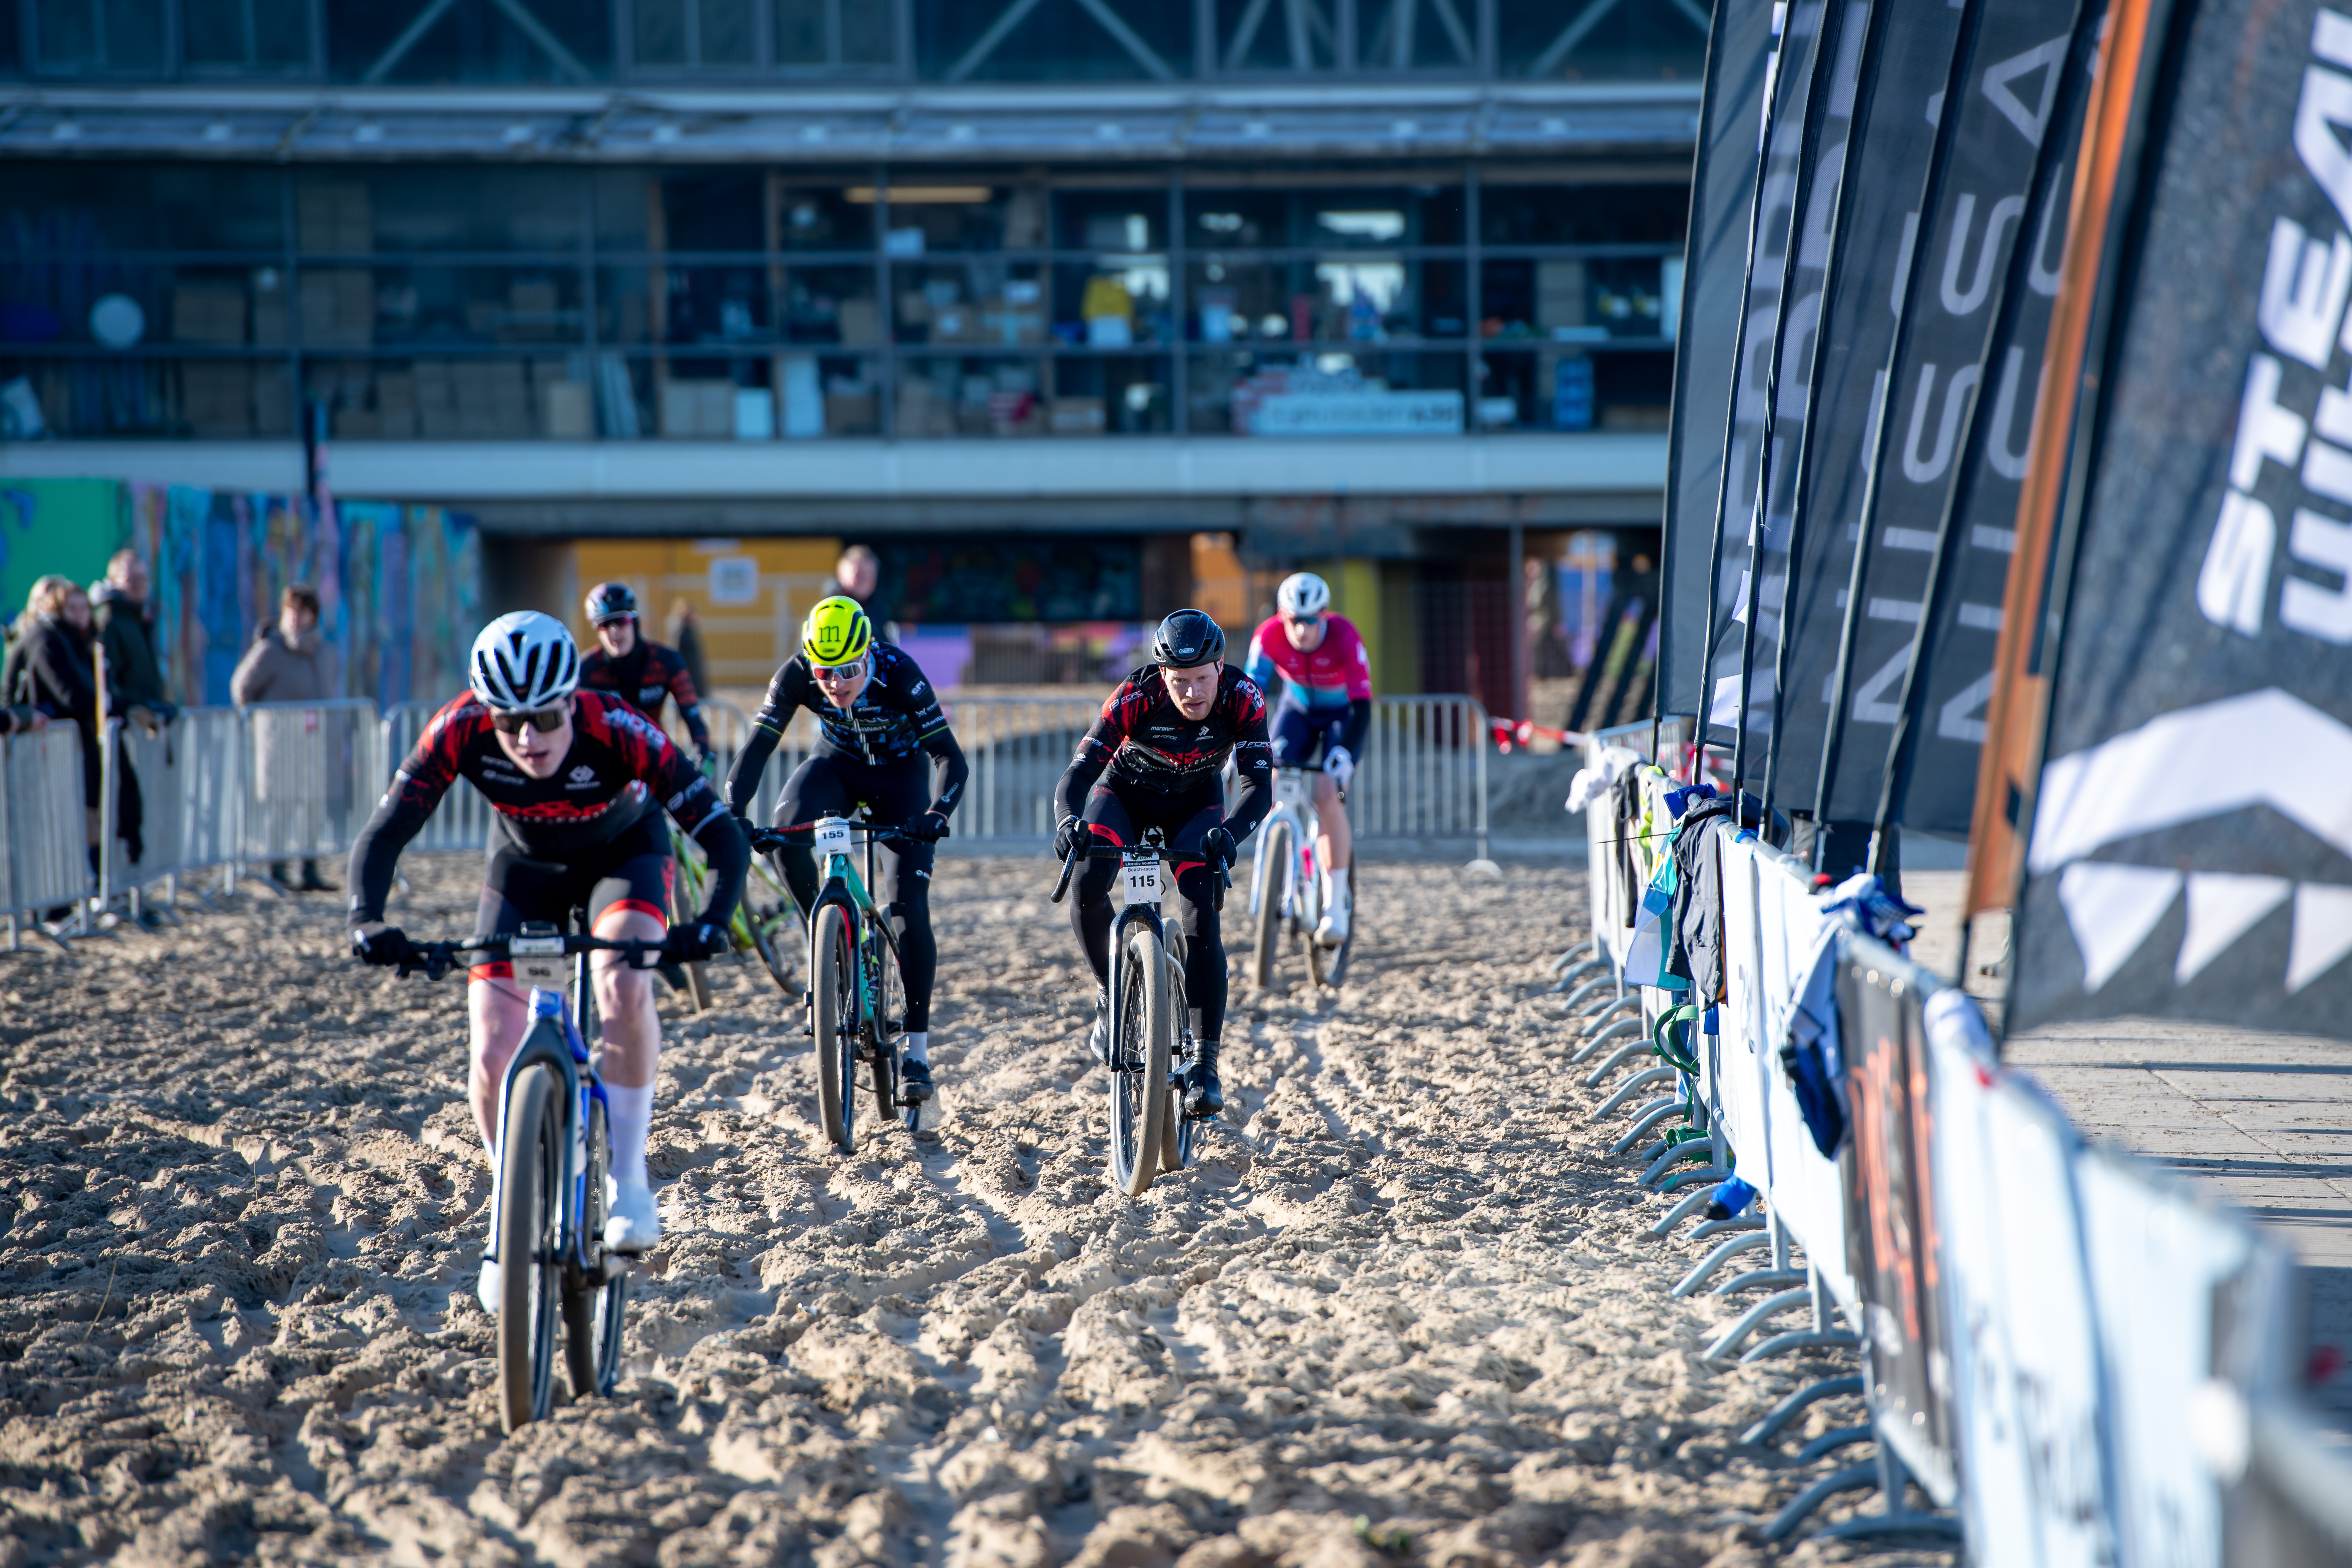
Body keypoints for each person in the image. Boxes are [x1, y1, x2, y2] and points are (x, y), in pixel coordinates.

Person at [345, 611, 748, 1309]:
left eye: (543, 718)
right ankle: (512, 1211)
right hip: (524, 868)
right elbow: (387, 830)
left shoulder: (617, 725)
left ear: (570, 699)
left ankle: (626, 1178)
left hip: (623, 857)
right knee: (491, 1044)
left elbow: (721, 834)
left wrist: (712, 922)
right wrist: (367, 917)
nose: (527, 738)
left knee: (623, 983)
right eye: (509, 723)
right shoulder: (458, 726)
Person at [724, 596, 966, 1103]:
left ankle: (917, 1052)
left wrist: (935, 815)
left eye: (849, 670)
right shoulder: (797, 675)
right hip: (834, 766)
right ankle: (823, 935)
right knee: (785, 835)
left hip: (901, 779)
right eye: (824, 673)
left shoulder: (900, 673)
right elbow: (757, 747)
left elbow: (949, 757)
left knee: (906, 909)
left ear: (870, 652)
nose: (835, 684)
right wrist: (734, 811)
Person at [1053, 609, 1271, 1119]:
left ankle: (1204, 1063)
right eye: (1180, 682)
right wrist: (1067, 822)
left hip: (1196, 805)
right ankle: (1113, 991)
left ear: (1220, 668)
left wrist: (1230, 835)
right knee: (1087, 885)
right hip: (1125, 794)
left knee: (1201, 909)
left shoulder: (1244, 697)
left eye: (1201, 679)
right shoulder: (1135, 695)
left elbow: (1259, 788)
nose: (1193, 693)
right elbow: (1079, 772)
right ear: (1162, 676)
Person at [1243, 572, 1372, 946]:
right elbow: (1251, 694)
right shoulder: (1267, 636)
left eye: (1311, 620)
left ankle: (1335, 908)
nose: (1302, 630)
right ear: (1282, 617)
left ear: (1325, 615)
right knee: (1269, 781)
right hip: (1296, 710)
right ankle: (1284, 869)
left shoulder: (1345, 635)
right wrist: (1240, 746)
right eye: (1294, 621)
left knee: (1326, 794)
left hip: (1339, 716)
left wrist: (1346, 752)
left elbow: (1363, 705)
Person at [232, 584, 340, 891]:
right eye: (291, 610)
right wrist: (263, 721)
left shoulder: (325, 651)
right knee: (280, 807)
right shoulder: (270, 650)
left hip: (314, 742)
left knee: (312, 805)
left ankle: (309, 870)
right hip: (279, 743)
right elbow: (242, 688)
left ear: (314, 616)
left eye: (302, 611)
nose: (295, 617)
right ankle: (276, 871)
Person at [9, 576, 102, 876]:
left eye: (82, 607)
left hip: (69, 747)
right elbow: (73, 696)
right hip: (44, 747)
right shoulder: (43, 640)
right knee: (49, 827)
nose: (78, 614)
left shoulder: (77, 641)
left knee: (79, 824)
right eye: (69, 607)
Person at [580, 582, 713, 767]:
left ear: (634, 621)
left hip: (653, 757)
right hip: (607, 764)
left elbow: (694, 718)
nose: (614, 632)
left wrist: (702, 755)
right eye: (604, 625)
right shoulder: (587, 670)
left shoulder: (666, 661)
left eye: (620, 621)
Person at [667, 598, 710, 704]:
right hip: (688, 684)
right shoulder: (683, 634)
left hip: (693, 682)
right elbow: (678, 660)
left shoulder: (690, 632)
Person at [835, 544, 879, 611]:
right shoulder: (830, 609)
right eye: (859, 573)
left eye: (869, 574)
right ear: (840, 574)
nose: (864, 580)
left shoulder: (879, 610)